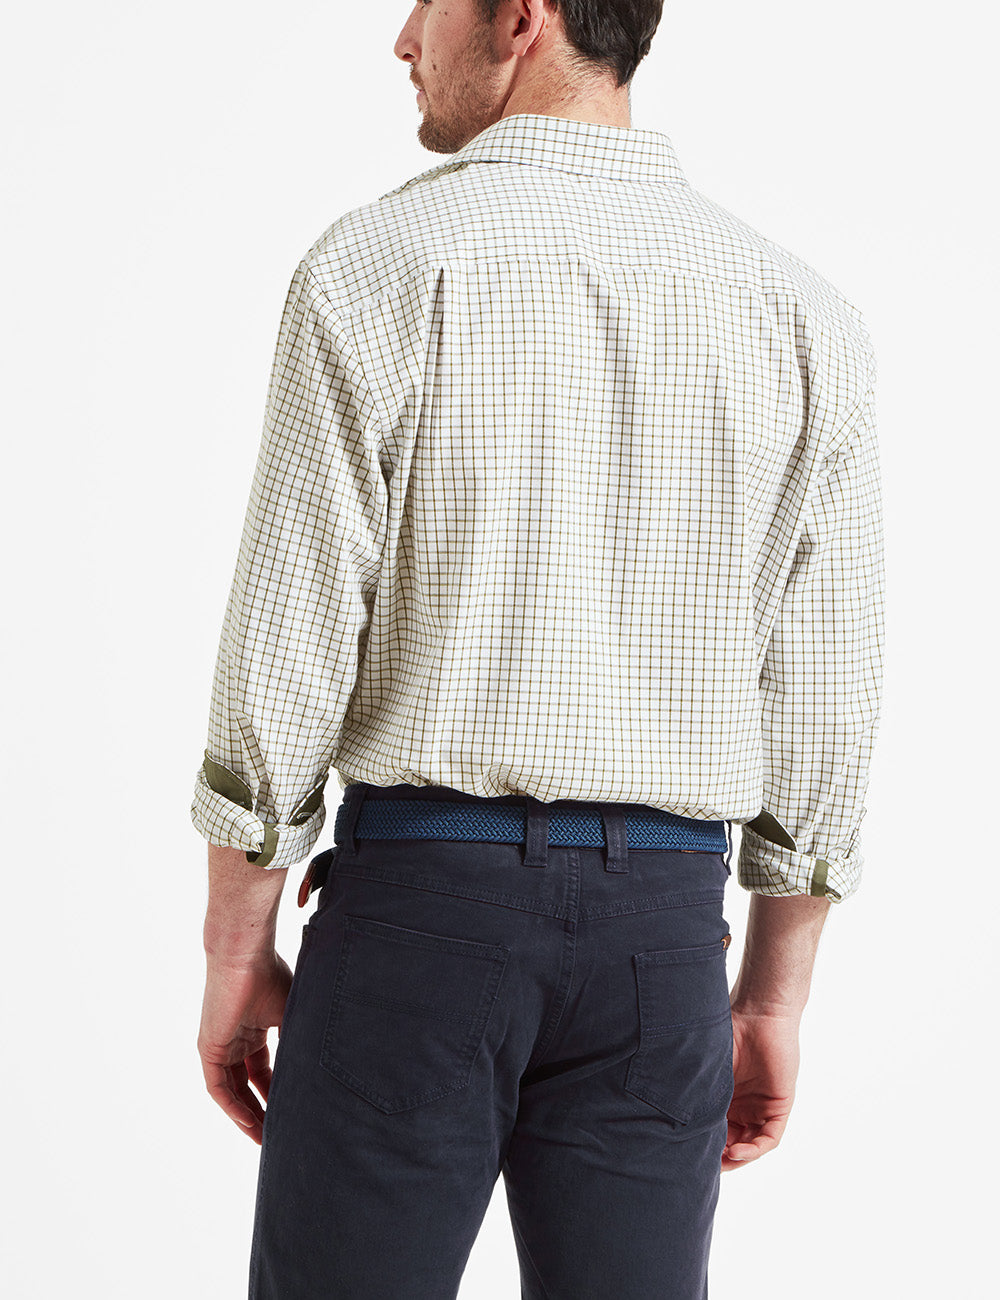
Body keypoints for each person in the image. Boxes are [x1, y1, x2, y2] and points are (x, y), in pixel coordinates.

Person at [193, 2, 885, 1296]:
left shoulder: (376, 268)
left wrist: (237, 948)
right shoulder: (804, 316)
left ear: (522, 16)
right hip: (661, 943)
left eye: (428, 0)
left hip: (418, 921)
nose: (404, 37)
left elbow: (286, 648)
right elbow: (825, 699)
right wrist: (773, 995)